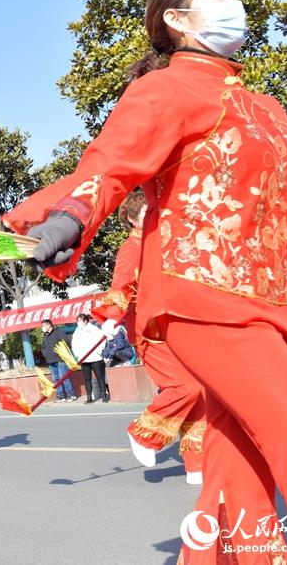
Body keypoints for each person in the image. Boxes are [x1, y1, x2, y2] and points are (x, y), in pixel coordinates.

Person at [5, 0, 287, 562]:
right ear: (177, 19)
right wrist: (69, 218)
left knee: (240, 463)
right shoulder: (165, 90)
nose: (234, 2)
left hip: (266, 305)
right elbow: (113, 162)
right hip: (204, 303)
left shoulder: (267, 109)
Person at [92, 190, 205, 482]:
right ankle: (144, 433)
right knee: (186, 386)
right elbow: (122, 284)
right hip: (149, 332)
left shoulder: (163, 243)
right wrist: (112, 317)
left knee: (200, 394)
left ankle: (197, 465)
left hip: (177, 328)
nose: (155, 215)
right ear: (132, 218)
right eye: (147, 212)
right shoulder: (132, 249)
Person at [70, 314, 107, 403]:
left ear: (85, 321)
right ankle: (89, 397)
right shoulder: (77, 332)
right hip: (84, 359)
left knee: (100, 377)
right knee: (87, 379)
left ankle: (104, 396)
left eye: (80, 321)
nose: (78, 323)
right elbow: (74, 344)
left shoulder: (94, 329)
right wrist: (78, 355)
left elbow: (102, 340)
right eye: (77, 321)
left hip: (95, 358)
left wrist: (99, 351)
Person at [39, 320, 77, 401]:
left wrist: (61, 352)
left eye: (43, 325)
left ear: (49, 325)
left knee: (64, 378)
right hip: (51, 361)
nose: (42, 327)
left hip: (60, 360)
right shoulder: (45, 336)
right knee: (56, 379)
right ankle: (60, 396)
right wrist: (45, 354)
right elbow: (43, 347)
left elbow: (67, 342)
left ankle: (71, 394)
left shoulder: (59, 332)